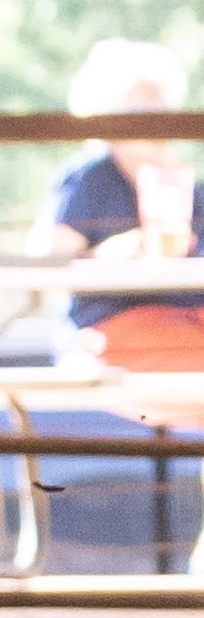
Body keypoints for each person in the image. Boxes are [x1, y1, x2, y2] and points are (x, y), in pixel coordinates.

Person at [32, 39, 204, 381]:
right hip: (113, 329)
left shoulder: (186, 186)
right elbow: (44, 274)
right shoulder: (91, 177)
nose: (156, 122)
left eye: (163, 110)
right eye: (142, 110)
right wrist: (114, 254)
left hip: (187, 321)